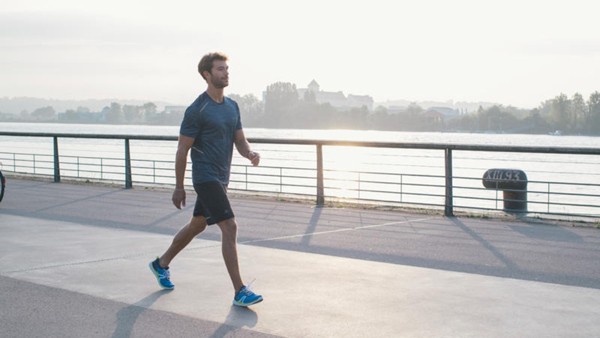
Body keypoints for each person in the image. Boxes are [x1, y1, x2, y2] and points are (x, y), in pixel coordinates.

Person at [149, 52, 263, 307]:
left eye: (226, 69)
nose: (225, 73)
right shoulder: (197, 109)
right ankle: (239, 291)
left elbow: (240, 140)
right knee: (230, 226)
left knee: (197, 225)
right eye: (220, 69)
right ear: (207, 75)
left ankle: (161, 263)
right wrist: (179, 187)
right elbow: (182, 150)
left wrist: (249, 153)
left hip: (222, 177)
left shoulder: (232, 106)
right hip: (205, 177)